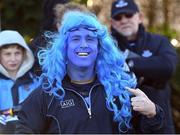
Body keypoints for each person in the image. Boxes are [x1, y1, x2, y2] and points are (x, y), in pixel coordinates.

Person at [15, 10, 164, 134]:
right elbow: (23, 129)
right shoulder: (48, 93)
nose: (83, 45)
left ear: (100, 48)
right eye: (75, 39)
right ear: (64, 48)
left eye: (90, 39)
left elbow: (150, 131)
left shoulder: (120, 90)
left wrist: (153, 113)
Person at [110, 0, 178, 133]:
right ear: (112, 23)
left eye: (128, 15)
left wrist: (129, 63)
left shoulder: (159, 41)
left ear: (139, 17)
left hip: (159, 124)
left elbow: (167, 67)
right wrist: (149, 68)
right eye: (118, 17)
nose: (123, 20)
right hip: (122, 126)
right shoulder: (108, 47)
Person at [0, 30, 39, 133]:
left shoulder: (35, 81)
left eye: (17, 53)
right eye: (7, 54)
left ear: (25, 54)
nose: (13, 59)